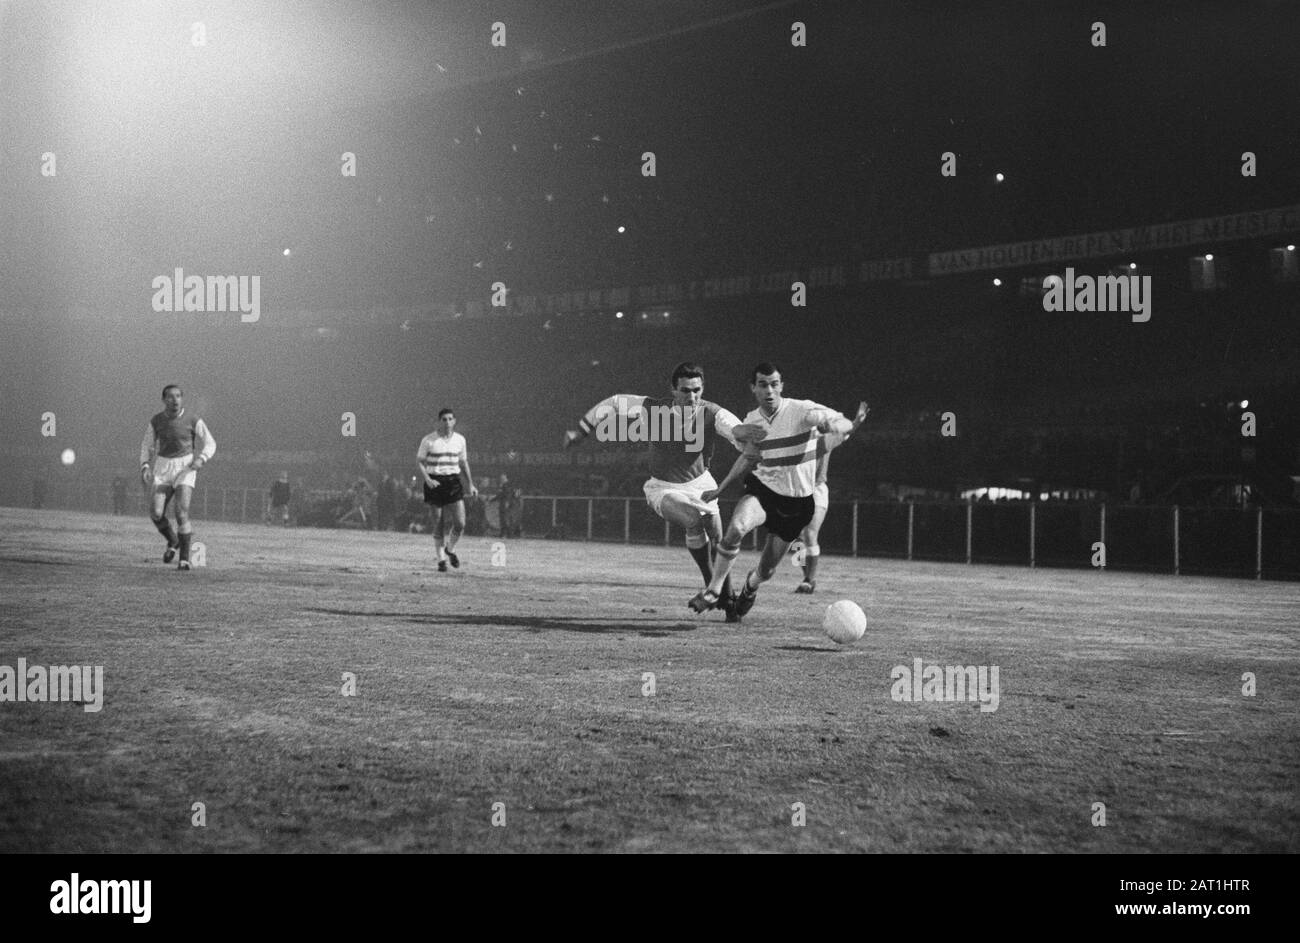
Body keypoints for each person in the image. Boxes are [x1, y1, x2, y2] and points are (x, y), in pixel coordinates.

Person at [563, 361, 766, 620]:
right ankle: (711, 589)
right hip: (663, 488)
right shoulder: (652, 408)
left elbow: (734, 429)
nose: (691, 396)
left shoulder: (713, 412)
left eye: (696, 390)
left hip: (702, 485)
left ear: (702, 389)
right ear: (673, 390)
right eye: (685, 390)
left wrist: (744, 433)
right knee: (693, 520)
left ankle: (727, 604)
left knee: (719, 541)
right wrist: (582, 430)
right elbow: (614, 402)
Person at [689, 363, 853, 619]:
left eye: (774, 384)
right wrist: (720, 488)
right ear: (753, 388)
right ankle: (713, 590)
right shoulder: (752, 420)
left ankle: (750, 587)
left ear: (781, 386)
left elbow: (838, 420)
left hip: (797, 504)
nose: (770, 390)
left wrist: (840, 425)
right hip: (764, 491)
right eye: (763, 384)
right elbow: (747, 457)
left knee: (766, 571)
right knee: (736, 528)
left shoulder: (802, 410)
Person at [792, 401, 869, 593]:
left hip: (817, 490)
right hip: (796, 491)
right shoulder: (798, 437)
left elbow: (847, 431)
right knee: (796, 541)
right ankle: (806, 576)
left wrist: (857, 420)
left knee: (810, 534)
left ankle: (809, 580)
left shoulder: (825, 438)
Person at [139, 384, 216, 570]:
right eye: (171, 397)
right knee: (156, 513)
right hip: (163, 468)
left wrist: (201, 459)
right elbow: (146, 445)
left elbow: (210, 443)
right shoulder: (157, 421)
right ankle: (173, 541)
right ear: (164, 400)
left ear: (182, 399)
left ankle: (184, 560)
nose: (175, 400)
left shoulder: (193, 419)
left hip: (185, 468)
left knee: (181, 512)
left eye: (178, 396)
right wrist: (145, 466)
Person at [417, 408, 479, 571]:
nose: (447, 422)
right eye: (444, 419)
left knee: (460, 523)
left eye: (450, 419)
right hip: (435, 482)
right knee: (438, 523)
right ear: (439, 422)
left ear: (454, 421)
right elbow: (420, 462)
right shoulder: (428, 440)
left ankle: (450, 550)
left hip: (453, 482)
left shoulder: (460, 440)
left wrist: (470, 484)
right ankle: (441, 561)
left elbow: (463, 463)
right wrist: (428, 479)